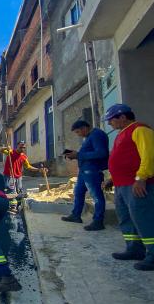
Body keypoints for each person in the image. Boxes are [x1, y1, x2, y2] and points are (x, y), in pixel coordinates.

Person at [104, 104, 154, 271]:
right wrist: (112, 178)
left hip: (137, 184)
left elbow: (149, 155)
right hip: (121, 185)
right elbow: (124, 159)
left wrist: (141, 178)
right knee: (126, 218)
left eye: (111, 120)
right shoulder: (121, 134)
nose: (110, 124)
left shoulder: (140, 130)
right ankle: (134, 248)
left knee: (144, 218)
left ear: (122, 117)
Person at [61, 120, 109, 230]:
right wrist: (75, 155)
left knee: (96, 196)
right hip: (84, 171)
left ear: (84, 128)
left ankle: (98, 221)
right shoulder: (88, 137)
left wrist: (79, 154)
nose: (78, 134)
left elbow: (101, 153)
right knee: (78, 192)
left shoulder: (97, 135)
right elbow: (85, 154)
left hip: (92, 171)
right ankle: (76, 215)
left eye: (78, 132)